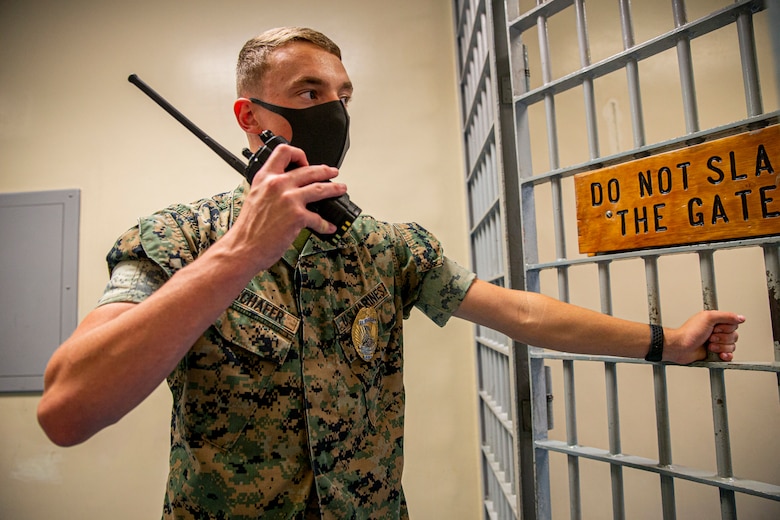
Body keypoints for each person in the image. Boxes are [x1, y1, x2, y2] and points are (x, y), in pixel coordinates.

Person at [37, 27, 744, 519]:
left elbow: (522, 315)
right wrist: (241, 254)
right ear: (250, 117)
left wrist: (667, 340)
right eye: (310, 93)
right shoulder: (176, 237)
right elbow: (68, 410)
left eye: (344, 94)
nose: (336, 111)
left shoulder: (387, 248)